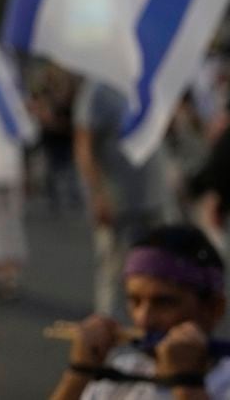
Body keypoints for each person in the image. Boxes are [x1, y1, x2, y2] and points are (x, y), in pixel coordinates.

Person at [49, 224, 230, 400]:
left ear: (213, 308)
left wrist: (187, 384)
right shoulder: (122, 371)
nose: (143, 319)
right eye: (135, 301)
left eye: (164, 302)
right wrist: (79, 373)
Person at [73, 79, 169, 315]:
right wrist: (97, 195)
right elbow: (83, 146)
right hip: (117, 200)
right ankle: (107, 327)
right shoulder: (98, 89)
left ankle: (150, 326)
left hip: (151, 198)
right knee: (112, 269)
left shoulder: (148, 82)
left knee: (157, 269)